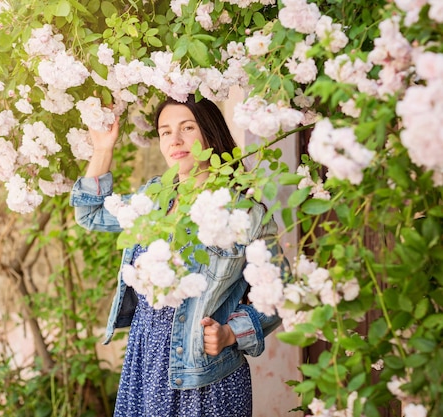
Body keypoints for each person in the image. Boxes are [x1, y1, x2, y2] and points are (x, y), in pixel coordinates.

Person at [69, 95, 287, 417]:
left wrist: (231, 333)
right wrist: (103, 149)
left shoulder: (244, 213)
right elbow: (90, 213)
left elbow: (280, 293)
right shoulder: (153, 199)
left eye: (188, 127)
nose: (176, 140)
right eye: (165, 131)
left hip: (204, 374)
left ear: (210, 134)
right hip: (145, 362)